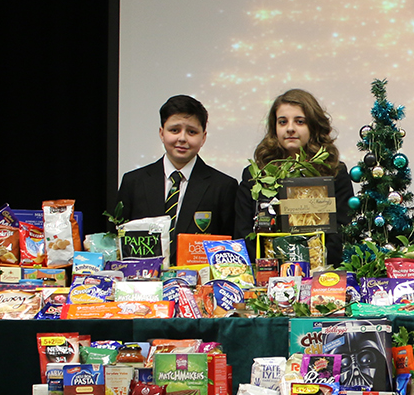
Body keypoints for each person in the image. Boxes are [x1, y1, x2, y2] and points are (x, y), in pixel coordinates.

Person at [239, 88, 355, 265]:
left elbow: (343, 232)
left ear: (313, 126)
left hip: (323, 272)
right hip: (267, 273)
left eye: (300, 122)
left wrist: (314, 263)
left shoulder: (334, 172)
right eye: (283, 122)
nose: (290, 129)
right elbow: (243, 232)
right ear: (274, 127)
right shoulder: (254, 174)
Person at [115, 95, 243, 251]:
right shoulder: (133, 182)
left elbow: (231, 245)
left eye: (192, 132)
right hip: (142, 274)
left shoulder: (223, 186)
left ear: (203, 138)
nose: (182, 138)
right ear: (162, 133)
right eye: (174, 130)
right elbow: (116, 239)